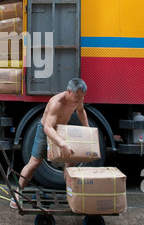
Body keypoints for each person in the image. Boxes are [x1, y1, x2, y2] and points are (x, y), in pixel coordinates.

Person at [10, 78, 89, 209]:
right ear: (69, 91)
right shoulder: (56, 103)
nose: (79, 99)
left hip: (62, 130)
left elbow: (81, 111)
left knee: (70, 162)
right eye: (77, 96)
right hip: (46, 130)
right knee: (34, 163)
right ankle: (18, 193)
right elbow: (48, 128)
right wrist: (62, 144)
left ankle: (72, 194)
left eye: (82, 97)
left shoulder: (78, 99)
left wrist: (88, 130)